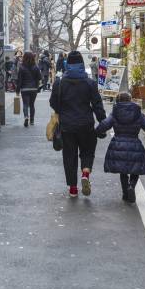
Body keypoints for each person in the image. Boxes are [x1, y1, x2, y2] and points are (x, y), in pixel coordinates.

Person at [50, 51, 106, 197]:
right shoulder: (90, 83)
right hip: (86, 124)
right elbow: (97, 105)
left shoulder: (60, 82)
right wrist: (103, 123)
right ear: (82, 64)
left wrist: (61, 109)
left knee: (69, 156)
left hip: (67, 126)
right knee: (87, 151)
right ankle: (85, 173)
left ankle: (73, 188)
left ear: (67, 64)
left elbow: (53, 103)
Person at [95, 92, 145, 203]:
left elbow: (105, 124)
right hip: (134, 144)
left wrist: (96, 131)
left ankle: (125, 194)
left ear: (118, 100)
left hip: (118, 144)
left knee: (123, 170)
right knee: (135, 169)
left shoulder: (115, 112)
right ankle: (131, 185)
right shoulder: (137, 112)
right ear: (130, 100)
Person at [16, 51, 42, 127]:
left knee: (25, 104)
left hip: (24, 89)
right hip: (34, 89)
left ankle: (26, 117)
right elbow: (40, 78)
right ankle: (32, 121)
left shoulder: (21, 67)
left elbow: (19, 80)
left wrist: (17, 90)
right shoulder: (36, 67)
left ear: (24, 58)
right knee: (32, 105)